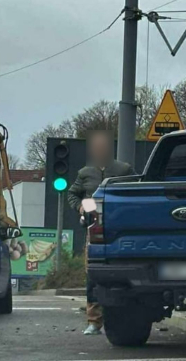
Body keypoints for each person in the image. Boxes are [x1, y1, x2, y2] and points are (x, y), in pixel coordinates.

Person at [67, 131, 135, 335]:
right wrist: (80, 207)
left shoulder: (124, 169)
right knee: (92, 274)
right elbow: (72, 193)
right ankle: (94, 320)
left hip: (119, 229)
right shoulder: (85, 173)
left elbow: (135, 191)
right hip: (94, 230)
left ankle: (123, 316)